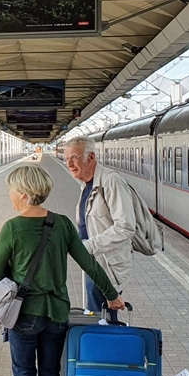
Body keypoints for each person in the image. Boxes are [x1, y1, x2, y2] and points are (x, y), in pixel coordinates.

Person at [0, 165, 125, 376]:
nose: (10, 195)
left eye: (12, 190)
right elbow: (89, 263)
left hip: (24, 316)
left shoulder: (12, 228)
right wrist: (112, 296)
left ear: (24, 194)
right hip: (56, 316)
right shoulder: (61, 224)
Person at [63, 136, 136, 323]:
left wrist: (87, 246)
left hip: (106, 264)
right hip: (93, 262)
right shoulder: (87, 185)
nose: (69, 164)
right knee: (97, 316)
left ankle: (107, 341)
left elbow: (126, 226)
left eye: (74, 158)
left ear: (91, 157)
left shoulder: (110, 182)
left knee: (100, 319)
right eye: (66, 159)